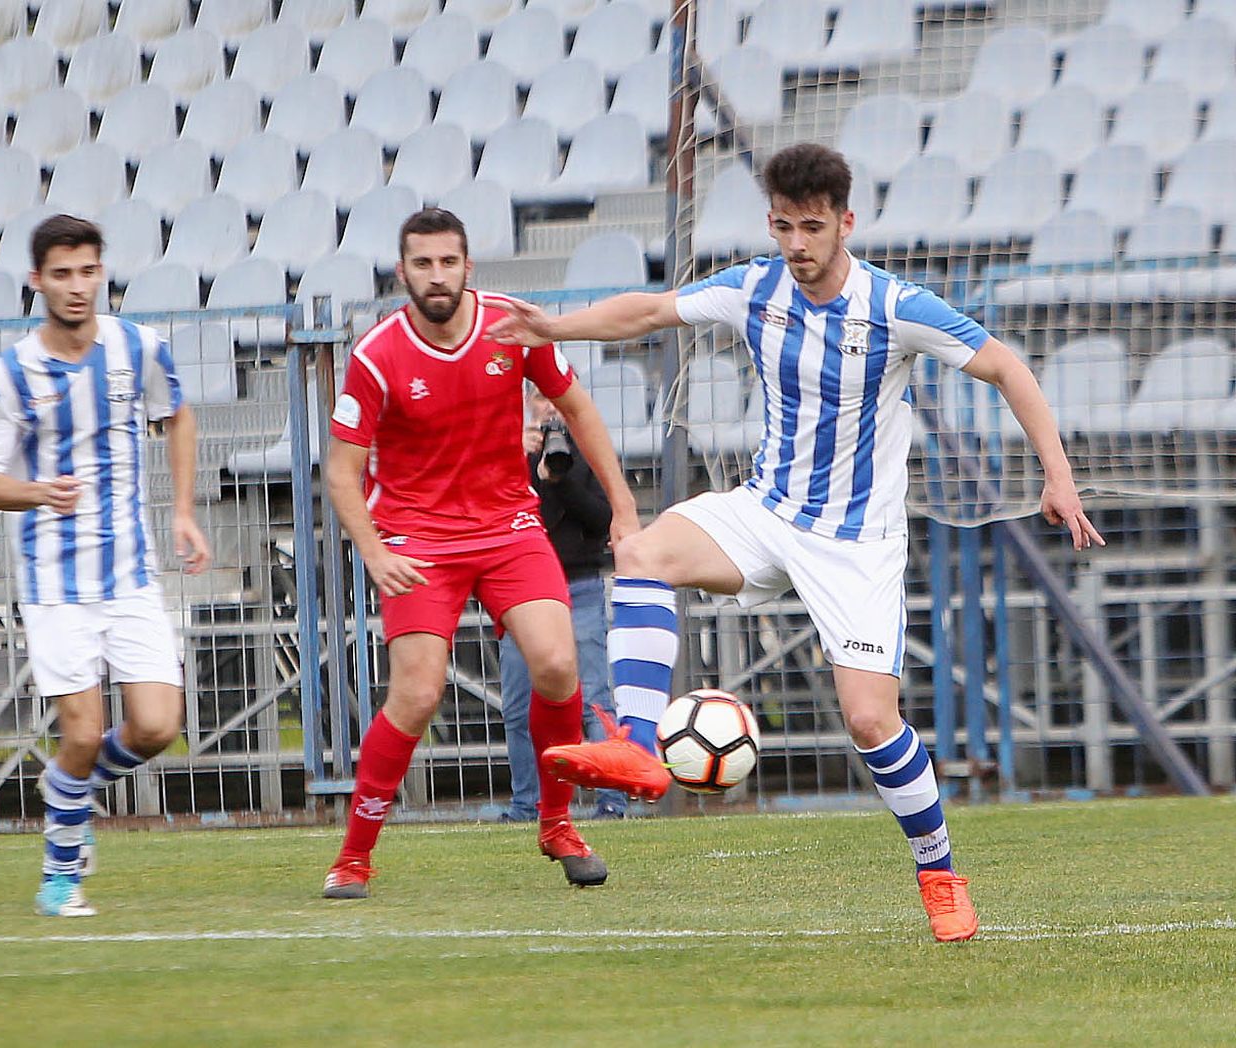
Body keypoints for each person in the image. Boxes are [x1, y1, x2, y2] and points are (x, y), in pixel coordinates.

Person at [493, 143, 1105, 943]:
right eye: (783, 226)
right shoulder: (755, 287)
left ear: (845, 223)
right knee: (641, 551)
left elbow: (1008, 369)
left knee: (868, 722)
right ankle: (639, 749)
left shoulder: (894, 306)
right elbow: (648, 310)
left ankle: (939, 871)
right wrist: (554, 326)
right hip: (766, 510)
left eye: (812, 227)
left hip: (855, 543)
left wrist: (1056, 478)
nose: (796, 244)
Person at [321, 208, 640, 899]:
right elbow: (341, 470)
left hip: (507, 528)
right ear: (401, 271)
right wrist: (374, 553)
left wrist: (623, 503)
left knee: (557, 663)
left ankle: (557, 824)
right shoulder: (376, 355)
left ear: (469, 267)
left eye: (448, 262)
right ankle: (353, 856)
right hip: (416, 539)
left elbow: (579, 409)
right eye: (421, 264)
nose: (436, 276)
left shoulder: (512, 327)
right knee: (416, 693)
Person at [0, 214, 211, 917]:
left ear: (102, 273)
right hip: (56, 583)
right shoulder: (13, 371)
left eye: (88, 272)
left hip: (131, 573)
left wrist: (184, 510)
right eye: (62, 274)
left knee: (158, 726)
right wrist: (39, 490)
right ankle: (59, 876)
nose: (77, 287)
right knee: (78, 730)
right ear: (36, 281)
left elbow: (179, 417)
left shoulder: (139, 346)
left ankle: (67, 790)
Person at [497, 386, 626, 822]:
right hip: (521, 593)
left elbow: (602, 518)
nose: (549, 408)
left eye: (556, 399)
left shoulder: (588, 452)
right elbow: (494, 508)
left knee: (593, 697)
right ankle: (526, 803)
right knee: (518, 702)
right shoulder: (507, 451)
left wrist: (562, 477)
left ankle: (611, 799)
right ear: (525, 405)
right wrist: (521, 459)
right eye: (540, 399)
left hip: (579, 585)